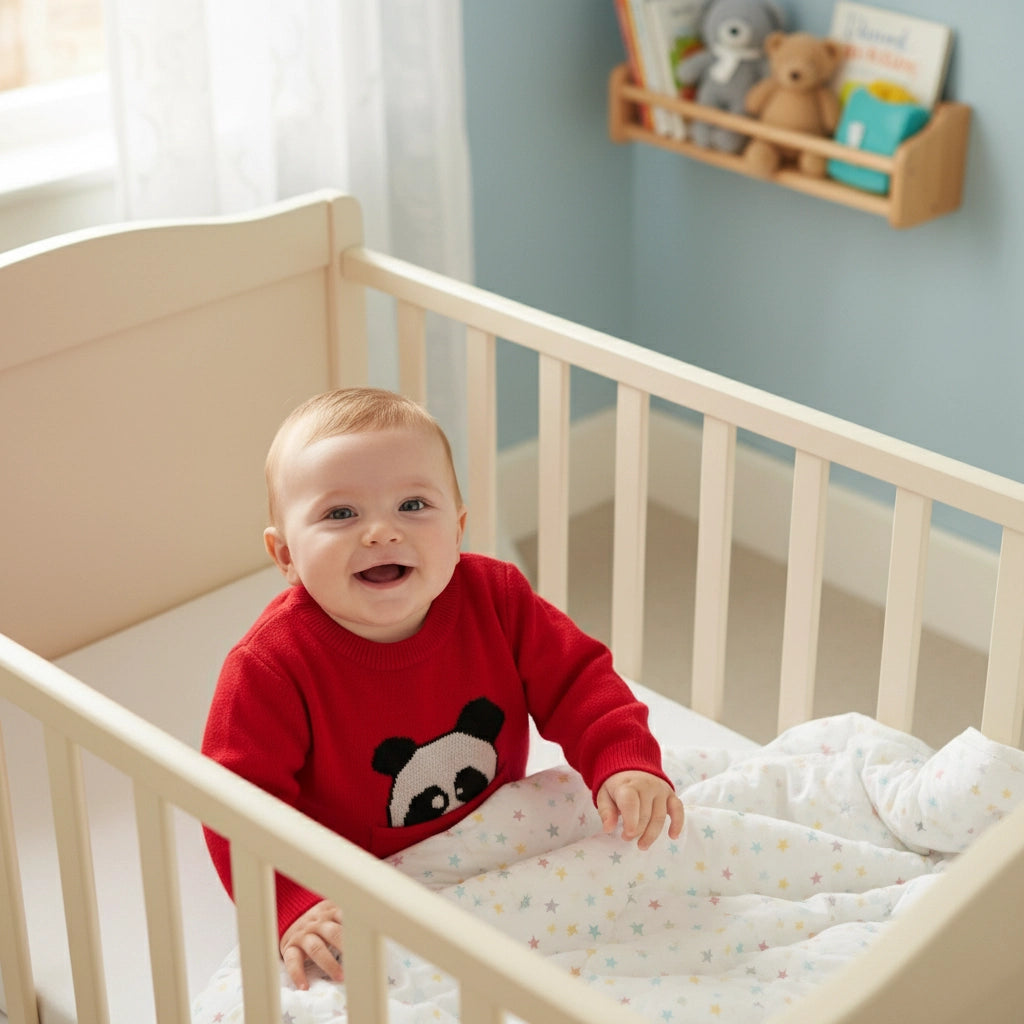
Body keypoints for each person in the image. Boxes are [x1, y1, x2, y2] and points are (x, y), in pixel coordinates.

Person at [202, 386, 684, 990]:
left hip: (497, 840)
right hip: (356, 881)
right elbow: (234, 803)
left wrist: (622, 758)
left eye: (412, 504)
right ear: (285, 554)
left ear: (457, 529)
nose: (381, 532)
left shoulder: (497, 599)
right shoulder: (271, 666)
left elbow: (578, 680)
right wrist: (290, 901)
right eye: (341, 514)